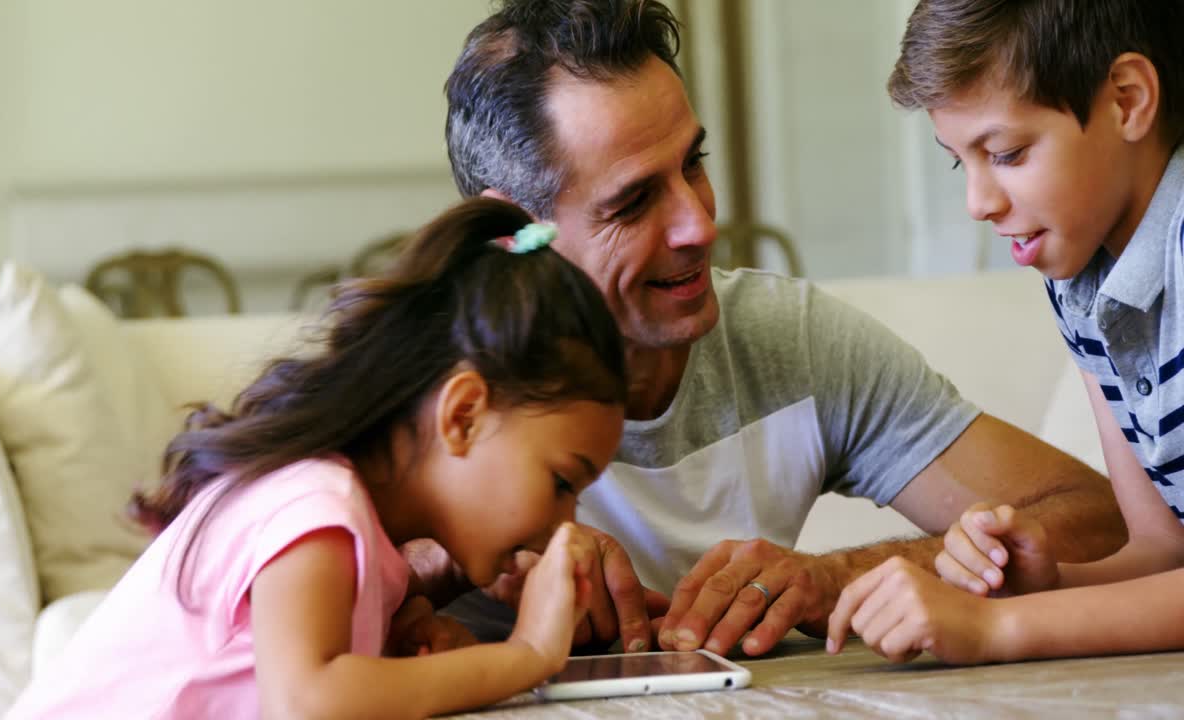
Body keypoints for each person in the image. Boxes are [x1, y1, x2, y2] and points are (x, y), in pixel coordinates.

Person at [436, 0, 1129, 660]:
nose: (700, 225)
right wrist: (466, 555)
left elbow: (1098, 522)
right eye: (634, 201)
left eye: (693, 166)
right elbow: (332, 560)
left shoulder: (790, 341)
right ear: (511, 232)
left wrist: (835, 579)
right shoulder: (408, 374)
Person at [5, 198, 630, 719]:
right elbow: (307, 703)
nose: (566, 520)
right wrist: (526, 654)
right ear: (462, 415)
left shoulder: (349, 524)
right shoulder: (315, 505)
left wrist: (398, 628)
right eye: (561, 481)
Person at [827, 0, 1184, 664]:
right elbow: (1163, 553)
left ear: (1128, 101)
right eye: (963, 162)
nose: (979, 203)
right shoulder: (1081, 280)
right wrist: (1041, 589)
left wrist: (1000, 632)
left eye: (1008, 152)